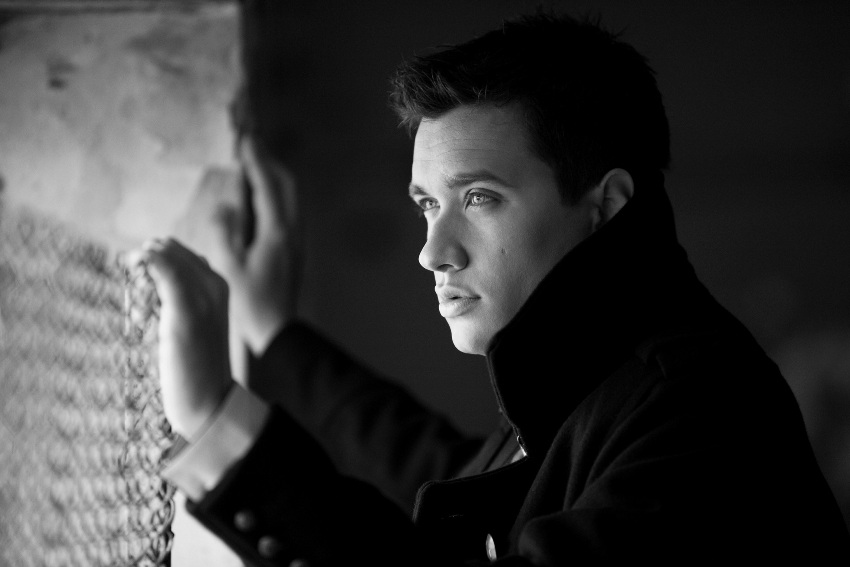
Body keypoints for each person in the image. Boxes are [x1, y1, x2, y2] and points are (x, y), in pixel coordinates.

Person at [134, 13, 850, 566]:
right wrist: (275, 336)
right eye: (427, 204)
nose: (432, 252)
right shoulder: (604, 379)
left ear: (605, 206)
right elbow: (440, 475)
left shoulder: (700, 407)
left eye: (479, 198)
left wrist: (218, 421)